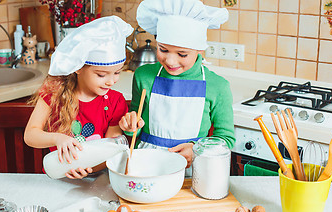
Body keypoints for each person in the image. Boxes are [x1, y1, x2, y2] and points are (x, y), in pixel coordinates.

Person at [119, 0, 235, 170]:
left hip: (193, 169)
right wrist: (130, 126)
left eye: (182, 54)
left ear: (200, 50)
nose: (171, 61)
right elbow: (135, 124)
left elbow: (226, 139)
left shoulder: (218, 86)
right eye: (163, 50)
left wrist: (197, 150)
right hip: (146, 164)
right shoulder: (143, 76)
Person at [24, 16, 133, 179]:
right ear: (78, 68)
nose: (111, 81)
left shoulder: (115, 101)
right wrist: (57, 138)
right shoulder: (54, 93)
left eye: (117, 72)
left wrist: (86, 166)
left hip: (98, 178)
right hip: (58, 176)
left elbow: (112, 148)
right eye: (102, 74)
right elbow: (30, 135)